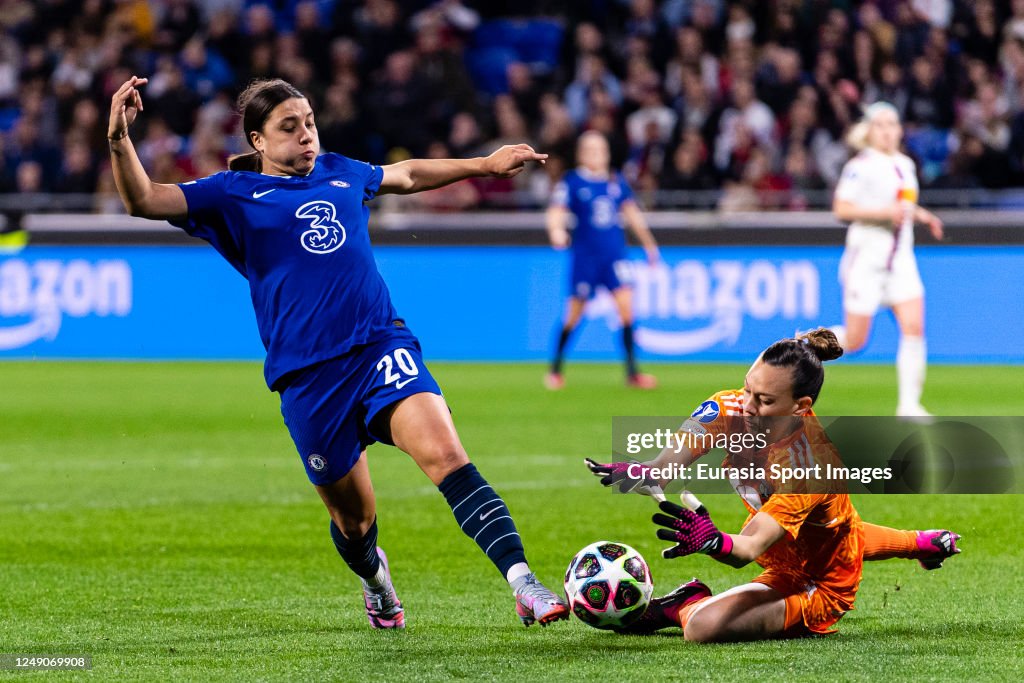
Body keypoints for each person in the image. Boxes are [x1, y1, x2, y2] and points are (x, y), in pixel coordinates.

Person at [107, 76, 569, 629]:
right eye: (289, 127)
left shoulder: (340, 171)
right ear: (258, 139)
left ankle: (525, 584)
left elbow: (408, 174)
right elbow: (145, 199)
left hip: (379, 347)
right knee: (354, 523)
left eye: (310, 123)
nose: (306, 136)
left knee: (449, 459)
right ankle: (377, 581)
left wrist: (484, 164)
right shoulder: (230, 193)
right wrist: (118, 140)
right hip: (308, 378)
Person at [585, 328, 961, 642]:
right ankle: (921, 542)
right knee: (828, 530)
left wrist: (715, 541)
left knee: (702, 628)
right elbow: (664, 467)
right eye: (747, 389)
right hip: (791, 548)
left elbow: (748, 548)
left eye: (764, 400)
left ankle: (684, 604)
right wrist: (645, 472)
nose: (746, 405)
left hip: (820, 581)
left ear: (801, 406)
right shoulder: (728, 408)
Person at [830, 102, 944, 417]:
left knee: (914, 328)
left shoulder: (905, 164)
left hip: (901, 262)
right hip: (867, 261)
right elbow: (842, 208)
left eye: (892, 124)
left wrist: (922, 215)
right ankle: (803, 346)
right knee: (854, 341)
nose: (887, 130)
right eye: (880, 125)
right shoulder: (860, 166)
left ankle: (909, 405)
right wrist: (885, 214)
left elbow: (903, 206)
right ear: (869, 131)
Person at [545, 131, 661, 391]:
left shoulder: (616, 181)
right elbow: (556, 211)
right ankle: (555, 369)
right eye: (591, 149)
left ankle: (633, 373)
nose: (597, 154)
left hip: (614, 258)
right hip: (586, 258)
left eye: (601, 149)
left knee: (627, 309)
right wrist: (557, 231)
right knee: (574, 314)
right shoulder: (573, 182)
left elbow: (632, 214)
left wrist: (649, 244)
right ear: (582, 154)